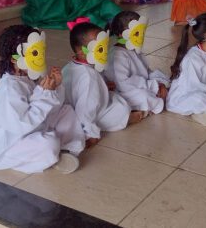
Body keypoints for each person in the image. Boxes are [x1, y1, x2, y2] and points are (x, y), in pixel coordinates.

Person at [0, 25, 84, 174]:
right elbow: (21, 125)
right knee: (48, 144)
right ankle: (45, 157)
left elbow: (51, 106)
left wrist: (54, 87)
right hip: (8, 147)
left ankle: (67, 148)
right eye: (35, 53)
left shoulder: (27, 77)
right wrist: (44, 95)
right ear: (14, 58)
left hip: (31, 129)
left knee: (66, 111)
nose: (41, 57)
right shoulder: (8, 89)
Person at [61, 19, 145, 148]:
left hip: (69, 112)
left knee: (112, 96)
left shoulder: (68, 67)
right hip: (84, 116)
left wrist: (103, 84)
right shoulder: (90, 77)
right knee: (120, 106)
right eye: (100, 48)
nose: (105, 51)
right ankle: (127, 118)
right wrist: (91, 134)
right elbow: (86, 109)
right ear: (83, 52)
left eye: (105, 46)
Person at [103, 11, 169, 114]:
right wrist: (154, 86)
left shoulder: (133, 49)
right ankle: (145, 106)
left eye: (142, 31)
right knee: (144, 96)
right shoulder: (118, 55)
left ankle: (160, 93)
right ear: (121, 35)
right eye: (137, 33)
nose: (141, 36)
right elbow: (123, 84)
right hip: (122, 91)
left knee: (161, 76)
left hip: (140, 85)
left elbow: (146, 71)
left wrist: (159, 83)